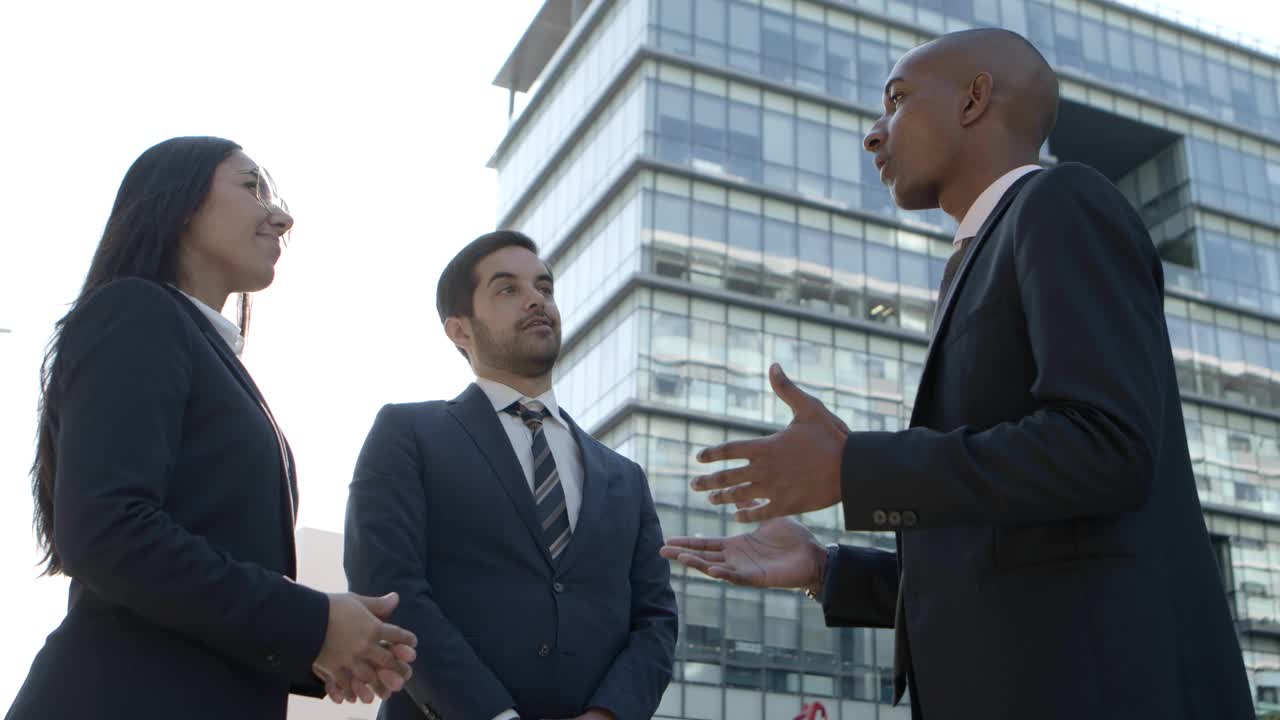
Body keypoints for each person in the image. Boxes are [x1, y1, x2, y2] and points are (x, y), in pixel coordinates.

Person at [661, 29, 1254, 719]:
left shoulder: (1059, 202)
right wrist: (827, 572)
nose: (873, 135)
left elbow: (1107, 448)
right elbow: (1011, 553)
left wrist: (857, 470)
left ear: (975, 100)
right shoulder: (985, 254)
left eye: (897, 100)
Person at [7, 136, 417, 720]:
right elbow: (107, 529)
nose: (282, 215)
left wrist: (319, 646)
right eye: (252, 187)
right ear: (177, 204)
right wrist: (313, 622)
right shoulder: (136, 312)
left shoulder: (198, 346)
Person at [344, 230, 677, 720]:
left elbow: (656, 621)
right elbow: (392, 590)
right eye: (508, 289)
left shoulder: (624, 478)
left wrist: (609, 714)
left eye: (544, 287)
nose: (536, 300)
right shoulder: (408, 434)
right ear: (460, 331)